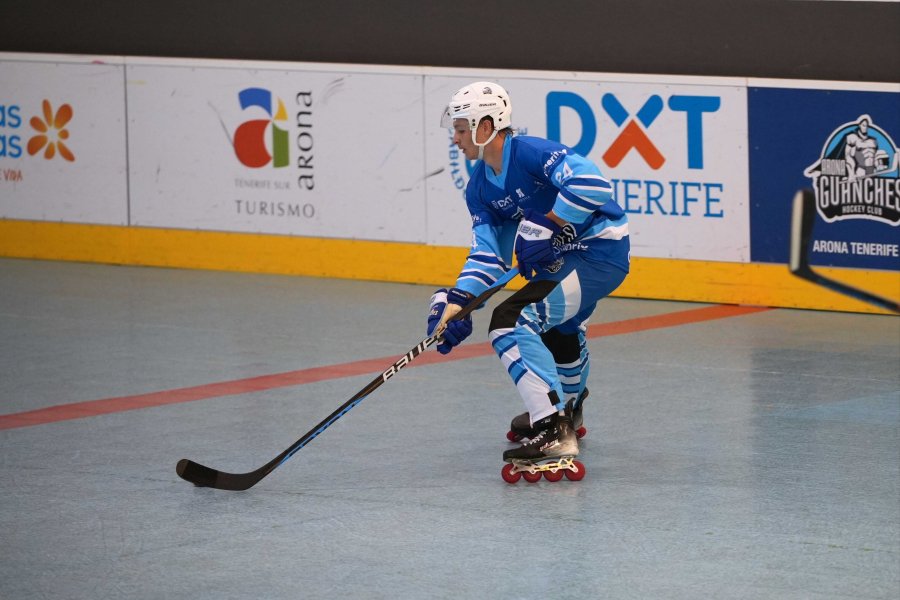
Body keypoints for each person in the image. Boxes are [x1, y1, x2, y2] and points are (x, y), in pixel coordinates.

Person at [427, 81, 630, 477]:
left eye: (462, 129)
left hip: (599, 251)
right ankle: (567, 408)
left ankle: (552, 427)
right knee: (559, 330)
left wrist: (550, 222)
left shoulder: (533, 153)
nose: (456, 138)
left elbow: (594, 185)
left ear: (486, 126)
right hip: (564, 259)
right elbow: (488, 256)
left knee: (513, 321)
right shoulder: (479, 188)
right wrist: (459, 301)